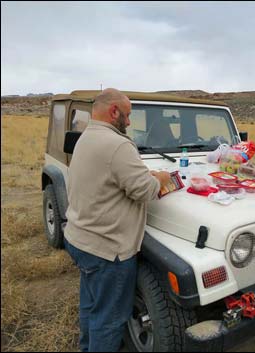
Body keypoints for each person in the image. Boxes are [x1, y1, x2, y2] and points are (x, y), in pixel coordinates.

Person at [63, 88, 171, 352]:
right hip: (108, 251)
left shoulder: (88, 136)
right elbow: (145, 191)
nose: (130, 122)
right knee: (110, 321)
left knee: (92, 307)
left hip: (81, 238)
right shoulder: (118, 144)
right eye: (128, 114)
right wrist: (161, 178)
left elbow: (112, 177)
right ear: (114, 112)